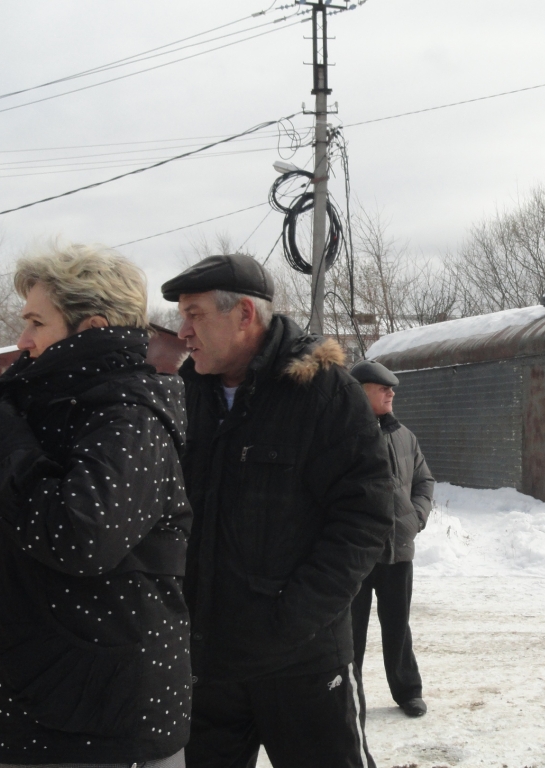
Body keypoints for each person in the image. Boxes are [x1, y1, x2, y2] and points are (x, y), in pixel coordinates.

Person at [160, 255, 394, 768]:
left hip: (303, 664)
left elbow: (366, 517)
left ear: (244, 314)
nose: (183, 332)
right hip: (207, 664)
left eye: (195, 315)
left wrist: (295, 617)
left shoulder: (324, 392)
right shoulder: (184, 395)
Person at [0, 244, 192, 767]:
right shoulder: (41, 412)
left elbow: (79, 536)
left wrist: (7, 447)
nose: (22, 341)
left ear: (89, 328)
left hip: (99, 728)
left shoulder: (129, 417)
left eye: (36, 323)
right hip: (32, 709)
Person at [349, 360, 434, 721]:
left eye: (392, 388)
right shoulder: (340, 434)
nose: (391, 392)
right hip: (351, 553)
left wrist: (416, 517)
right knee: (347, 632)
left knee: (397, 626)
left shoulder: (404, 436)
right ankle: (349, 698)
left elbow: (424, 481)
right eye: (383, 388)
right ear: (360, 390)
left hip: (397, 549)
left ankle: (408, 692)